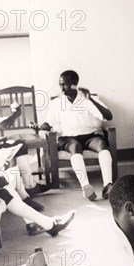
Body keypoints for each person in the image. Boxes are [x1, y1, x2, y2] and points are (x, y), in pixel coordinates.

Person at [31, 70, 114, 201]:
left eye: (65, 84)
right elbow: (48, 123)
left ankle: (108, 185)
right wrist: (40, 126)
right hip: (68, 139)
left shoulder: (88, 99)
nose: (62, 88)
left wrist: (91, 98)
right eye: (60, 85)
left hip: (90, 136)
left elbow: (108, 116)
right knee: (75, 147)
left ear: (74, 84)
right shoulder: (57, 102)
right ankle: (86, 187)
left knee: (102, 145)